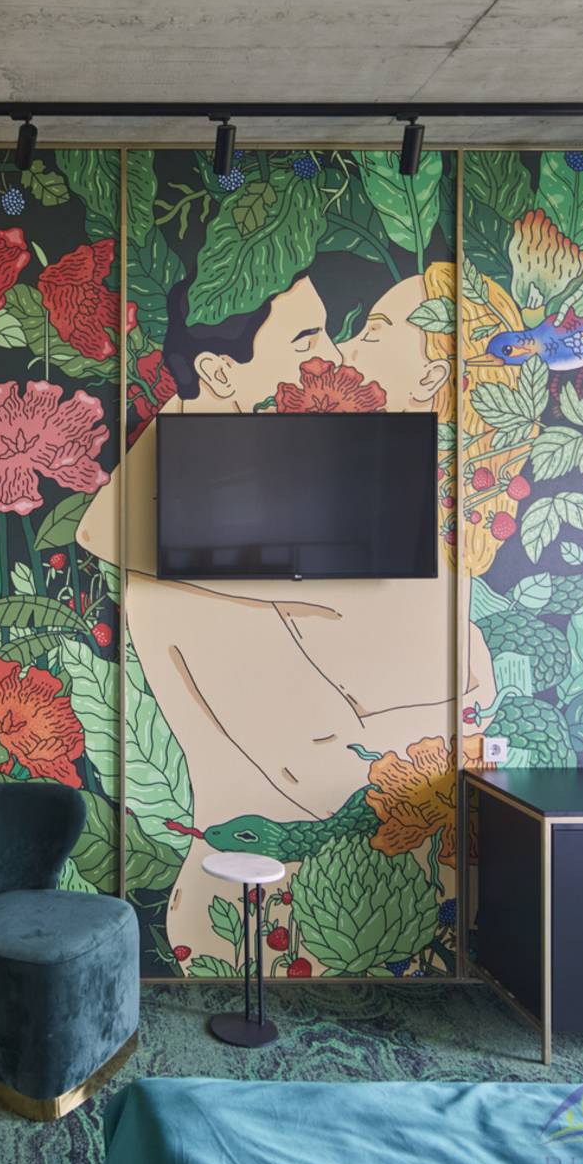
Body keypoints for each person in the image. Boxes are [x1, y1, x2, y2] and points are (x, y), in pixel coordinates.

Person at [79, 264, 494, 973]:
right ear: (218, 371)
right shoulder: (196, 553)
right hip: (271, 922)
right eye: (307, 337)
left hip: (368, 900)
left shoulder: (331, 510)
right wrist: (449, 718)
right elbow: (309, 759)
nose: (336, 356)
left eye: (345, 332)